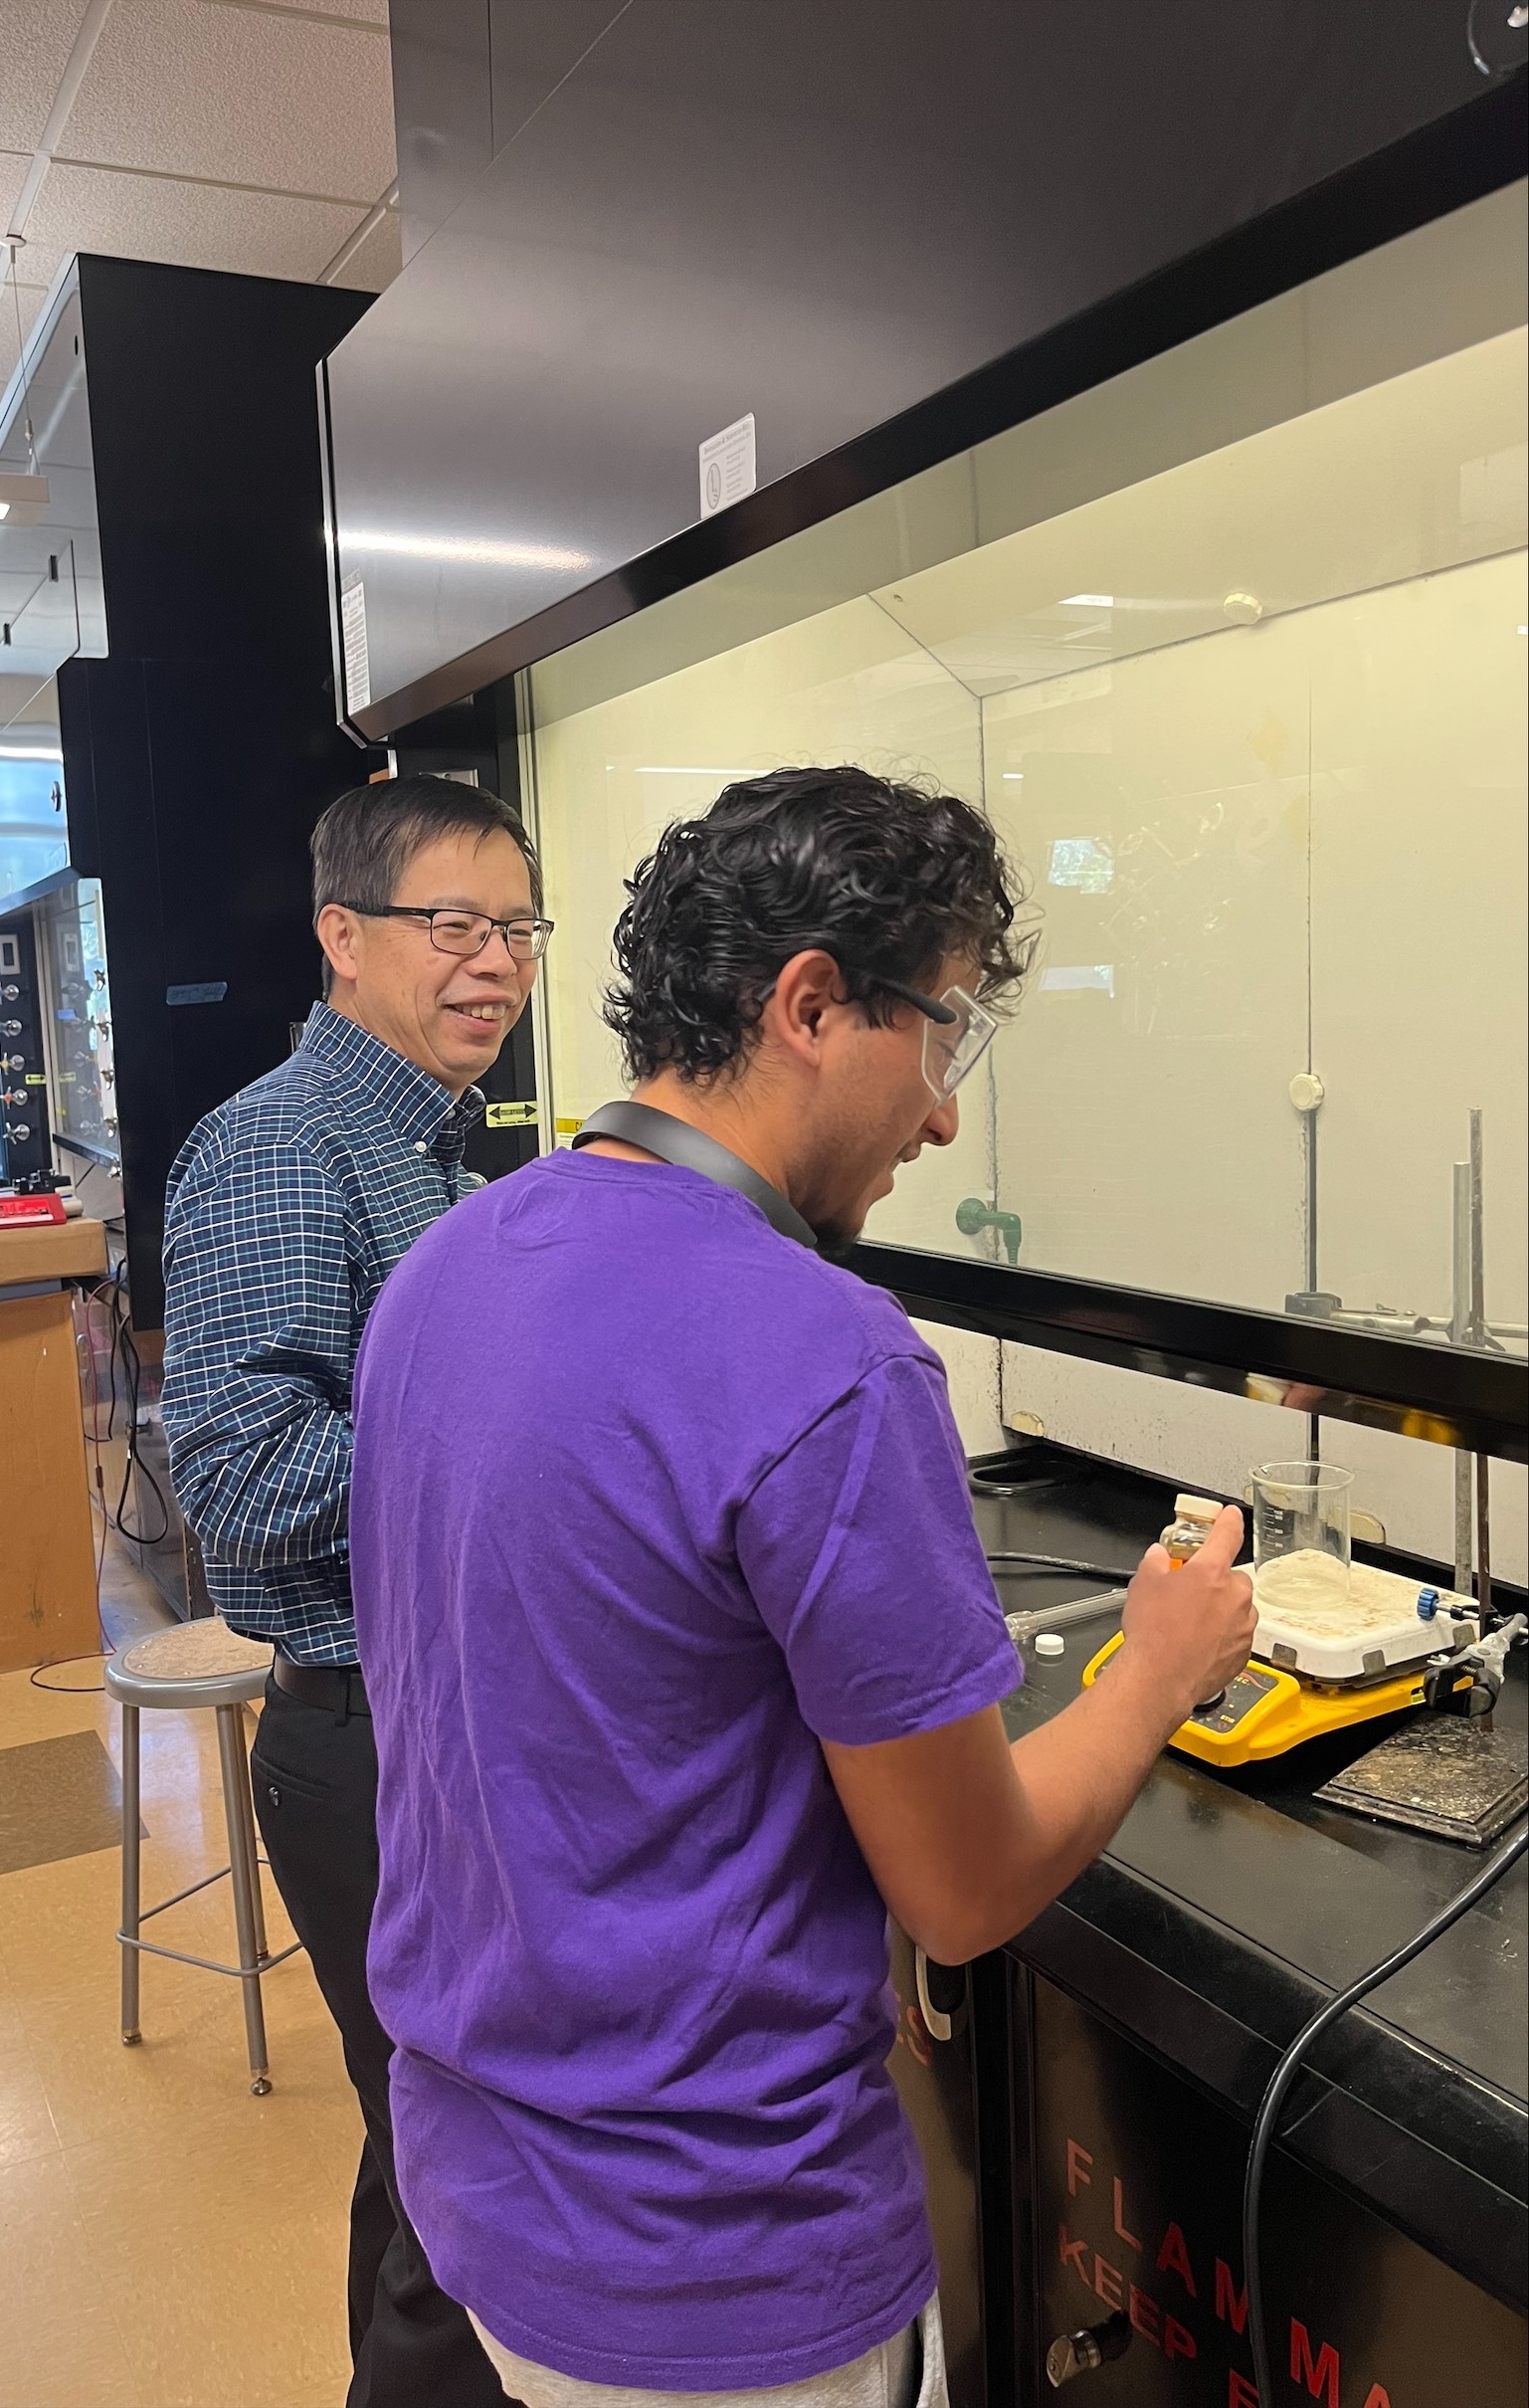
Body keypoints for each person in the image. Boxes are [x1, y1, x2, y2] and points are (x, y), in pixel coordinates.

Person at [347, 767, 1256, 2408]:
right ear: (814, 1004)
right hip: (718, 2262)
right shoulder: (826, 1356)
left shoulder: (455, 1260)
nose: (945, 1115)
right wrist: (1159, 1669)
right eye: (947, 1032)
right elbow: (964, 1890)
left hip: (484, 2188)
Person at [161, 773, 551, 2407]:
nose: (494, 964)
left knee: (428, 2174)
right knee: (457, 2200)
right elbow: (239, 1482)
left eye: (517, 928)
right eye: (450, 925)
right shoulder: (277, 1147)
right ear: (342, 933)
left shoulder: (428, 1152)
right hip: (371, 1750)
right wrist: (511, 1414)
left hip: (449, 1731)